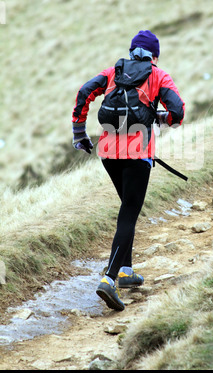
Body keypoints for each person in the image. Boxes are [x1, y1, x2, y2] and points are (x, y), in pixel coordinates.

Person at [72, 30, 185, 311]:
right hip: (138, 154)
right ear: (154, 56)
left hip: (108, 152)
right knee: (129, 213)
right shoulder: (159, 76)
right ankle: (109, 279)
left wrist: (79, 132)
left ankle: (125, 271)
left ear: (132, 50)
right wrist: (162, 117)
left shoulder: (113, 72)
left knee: (127, 207)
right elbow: (177, 111)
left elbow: (85, 92)